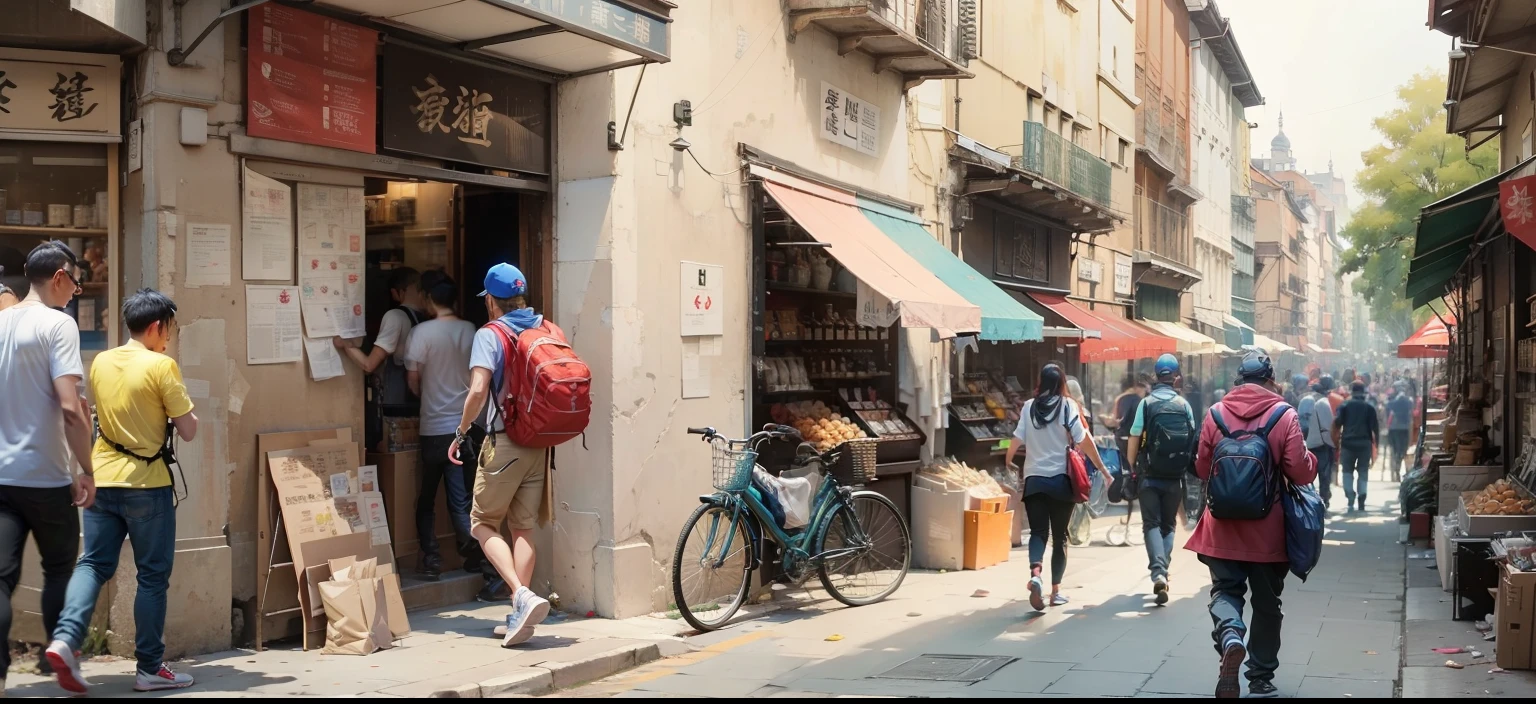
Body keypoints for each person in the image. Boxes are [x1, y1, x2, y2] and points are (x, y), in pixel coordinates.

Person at [45, 289, 198, 693]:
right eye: (170, 329)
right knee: (151, 576)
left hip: (103, 476)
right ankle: (149, 668)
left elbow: (94, 415)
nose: (170, 337)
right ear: (155, 327)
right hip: (147, 486)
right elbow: (188, 429)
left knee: (92, 563)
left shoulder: (101, 361)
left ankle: (65, 638)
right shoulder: (162, 366)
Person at [1187, 350, 1316, 699]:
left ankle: (1230, 635)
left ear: (1239, 381)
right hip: (1267, 531)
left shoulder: (1215, 414)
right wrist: (1313, 459)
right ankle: (1260, 677)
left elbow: (1201, 469)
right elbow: (1301, 472)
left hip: (1221, 527)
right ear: (1270, 381)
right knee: (1267, 604)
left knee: (1225, 591)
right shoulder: (1283, 414)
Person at [0, 241, 96, 695]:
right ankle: (58, 655)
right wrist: (87, 467)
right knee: (61, 567)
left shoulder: (0, 322)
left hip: (1, 475)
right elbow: (71, 407)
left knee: (1, 579)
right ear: (60, 276)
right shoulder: (59, 324)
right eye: (75, 282)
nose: (76, 292)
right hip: (45, 473)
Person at [447, 264, 555, 646]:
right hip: (539, 441)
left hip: (504, 439)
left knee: (481, 523)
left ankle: (521, 596)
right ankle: (519, 615)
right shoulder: (543, 327)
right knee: (523, 528)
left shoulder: (490, 334)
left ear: (491, 301)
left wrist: (461, 432)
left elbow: (478, 389)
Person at [1005, 364, 1112, 612]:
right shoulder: (1068, 406)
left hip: (1034, 482)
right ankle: (1055, 592)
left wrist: (1009, 459)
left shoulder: (1029, 407)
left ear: (1040, 382)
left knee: (1038, 533)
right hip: (1061, 482)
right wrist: (1104, 470)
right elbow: (1083, 440)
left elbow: (1017, 438)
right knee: (1060, 537)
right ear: (1062, 382)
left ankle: (1035, 573)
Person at [403, 274, 482, 581]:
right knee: (460, 499)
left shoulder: (421, 332)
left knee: (426, 498)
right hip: (464, 426)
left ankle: (432, 558)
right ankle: (477, 557)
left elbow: (413, 379)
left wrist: (427, 394)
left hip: (433, 426)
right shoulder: (470, 330)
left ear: (429, 300)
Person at [1125, 354, 1197, 606]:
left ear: (1156, 376)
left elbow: (1134, 437)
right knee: (1168, 525)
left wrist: (1131, 467)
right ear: (1176, 377)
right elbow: (1191, 438)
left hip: (1150, 474)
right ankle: (1162, 571)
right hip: (1175, 476)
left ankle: (1158, 572)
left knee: (1151, 524)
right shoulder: (1183, 405)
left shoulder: (1146, 404)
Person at [336, 267, 429, 449]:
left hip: (396, 407)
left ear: (397, 292)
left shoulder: (395, 316)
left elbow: (369, 364)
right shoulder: (428, 319)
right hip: (424, 405)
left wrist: (345, 344)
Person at [1333, 380, 1380, 513]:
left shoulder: (1345, 405)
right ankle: (1362, 497)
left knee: (1347, 471)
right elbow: (1375, 428)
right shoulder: (1369, 407)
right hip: (1365, 444)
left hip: (1348, 443)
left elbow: (1337, 423)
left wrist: (1335, 440)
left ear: (1351, 391)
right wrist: (1377, 445)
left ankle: (1350, 496)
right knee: (1363, 471)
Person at [1303, 375, 1337, 509]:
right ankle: (1324, 501)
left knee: (1307, 475)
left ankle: (1307, 500)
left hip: (1306, 444)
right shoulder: (1323, 403)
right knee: (1324, 475)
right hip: (1322, 444)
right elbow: (1330, 426)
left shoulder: (1304, 400)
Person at [1386, 383, 1415, 482]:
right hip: (1404, 429)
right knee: (1403, 450)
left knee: (1395, 451)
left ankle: (1396, 470)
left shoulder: (1393, 401)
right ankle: (1400, 469)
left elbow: (1388, 406)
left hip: (1394, 429)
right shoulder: (1408, 401)